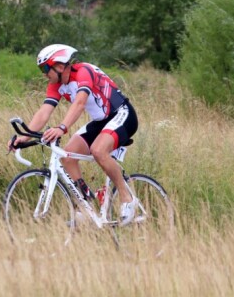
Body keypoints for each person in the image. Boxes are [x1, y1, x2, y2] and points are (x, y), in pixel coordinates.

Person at [8, 44, 139, 226]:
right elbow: (44, 112)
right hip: (101, 121)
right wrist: (24, 137)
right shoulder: (56, 85)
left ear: (60, 66)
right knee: (67, 156)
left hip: (122, 114)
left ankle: (127, 198)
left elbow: (79, 103)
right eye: (41, 69)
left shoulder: (83, 72)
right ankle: (88, 208)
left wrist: (62, 128)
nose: (44, 73)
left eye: (46, 68)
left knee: (98, 151)